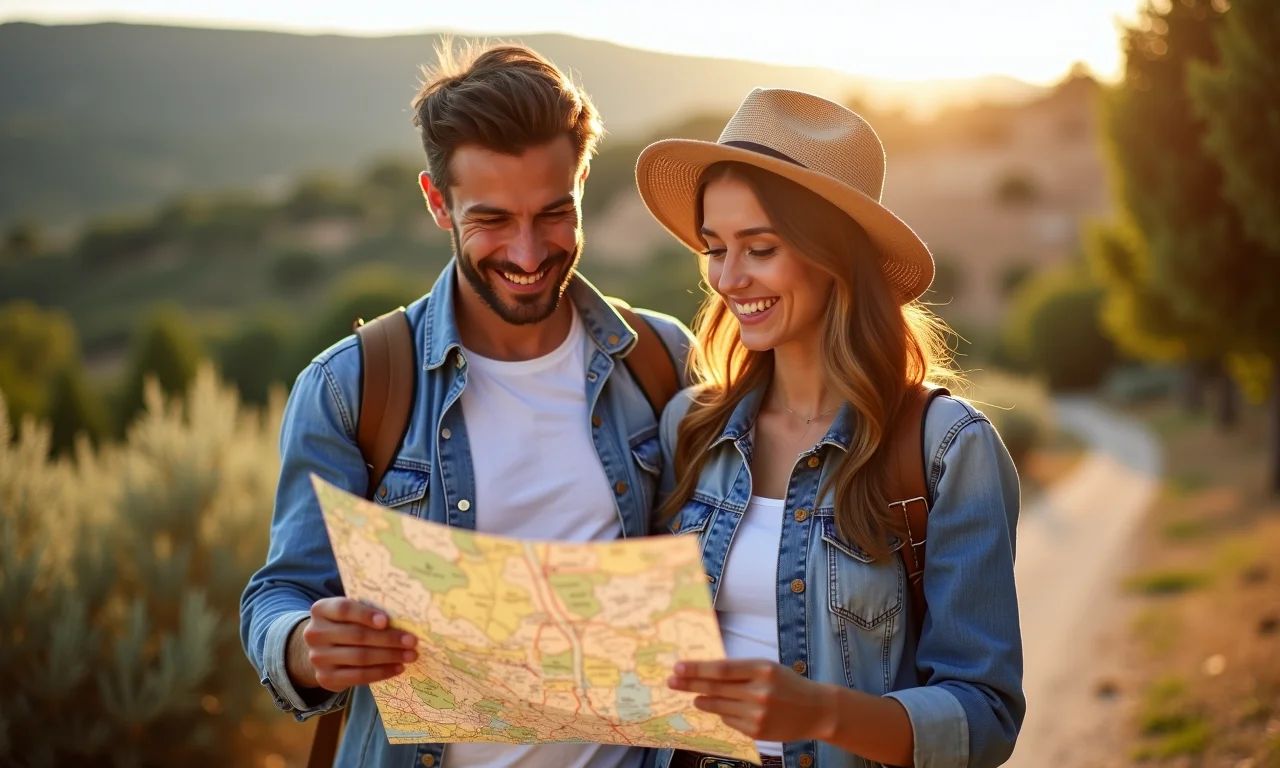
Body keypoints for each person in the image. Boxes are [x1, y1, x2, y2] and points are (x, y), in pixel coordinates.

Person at [239, 42, 694, 768]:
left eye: (554, 213)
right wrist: (302, 645)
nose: (526, 251)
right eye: (491, 220)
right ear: (435, 202)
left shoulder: (661, 360)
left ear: (581, 185)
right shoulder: (350, 387)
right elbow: (283, 590)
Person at [634, 88, 1025, 768]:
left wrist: (817, 712)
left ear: (834, 256)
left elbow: (985, 716)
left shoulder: (945, 452)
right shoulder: (689, 429)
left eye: (759, 248)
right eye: (714, 247)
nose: (727, 278)